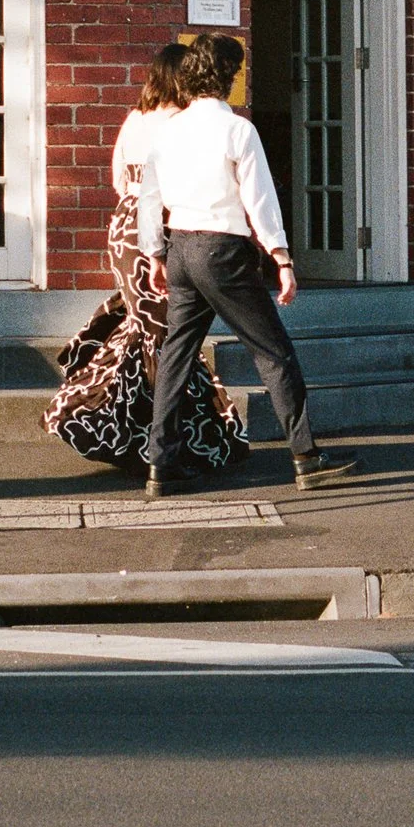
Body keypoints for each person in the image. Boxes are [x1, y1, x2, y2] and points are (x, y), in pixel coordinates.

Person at [137, 33, 356, 496]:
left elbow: (148, 198)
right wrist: (281, 256)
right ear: (230, 77)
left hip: (180, 248)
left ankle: (161, 463)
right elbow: (260, 200)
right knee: (272, 352)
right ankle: (305, 456)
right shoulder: (238, 130)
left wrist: (154, 252)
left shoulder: (165, 131)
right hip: (224, 250)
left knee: (176, 356)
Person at [46, 45, 248, 474]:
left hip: (124, 230)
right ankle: (162, 446)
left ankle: (139, 437)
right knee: (168, 338)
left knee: (149, 331)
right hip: (161, 229)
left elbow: (120, 179)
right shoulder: (180, 124)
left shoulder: (135, 118)